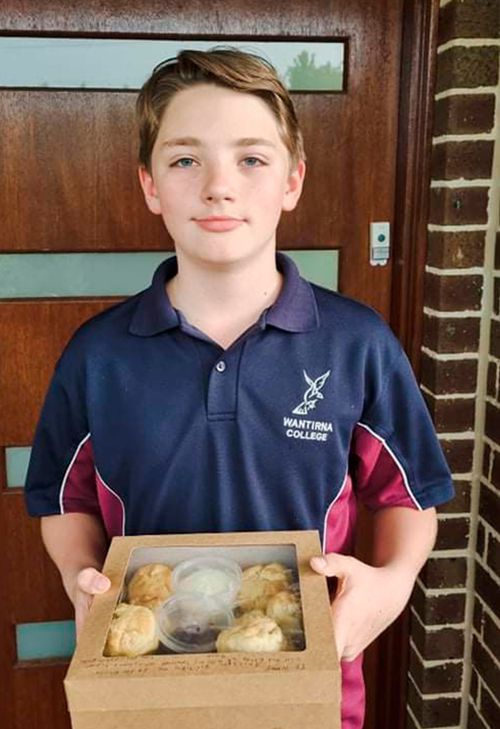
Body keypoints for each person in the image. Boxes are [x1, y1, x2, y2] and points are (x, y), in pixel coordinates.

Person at [24, 48, 454, 728]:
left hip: (310, 691)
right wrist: (82, 576)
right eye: (185, 159)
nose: (219, 186)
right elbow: (64, 498)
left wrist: (395, 578)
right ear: (150, 185)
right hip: (142, 693)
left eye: (251, 159)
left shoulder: (357, 344)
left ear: (293, 180)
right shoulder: (97, 355)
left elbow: (408, 495)